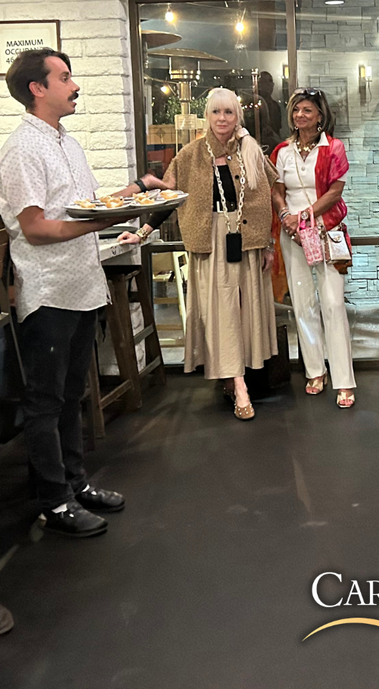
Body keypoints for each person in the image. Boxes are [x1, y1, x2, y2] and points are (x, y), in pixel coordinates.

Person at [0, 48, 164, 537]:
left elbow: (87, 206)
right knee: (45, 401)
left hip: (82, 285)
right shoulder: (21, 149)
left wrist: (137, 190)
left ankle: (75, 482)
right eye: (65, 77)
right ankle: (54, 500)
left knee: (72, 395)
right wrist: (108, 220)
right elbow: (34, 229)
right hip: (48, 291)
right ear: (38, 88)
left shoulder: (67, 143)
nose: (75, 86)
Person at [125, 87, 278, 420]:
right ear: (206, 116)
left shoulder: (250, 150)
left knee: (243, 313)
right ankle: (239, 386)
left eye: (229, 112)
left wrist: (269, 243)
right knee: (221, 314)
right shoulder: (190, 155)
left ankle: (231, 375)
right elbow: (168, 198)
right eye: (215, 112)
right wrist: (142, 231)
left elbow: (268, 195)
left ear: (238, 116)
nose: (222, 119)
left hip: (247, 240)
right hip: (209, 243)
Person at [270, 88, 356, 407]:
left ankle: (344, 380)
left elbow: (335, 192)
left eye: (307, 110)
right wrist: (285, 217)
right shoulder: (282, 151)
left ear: (320, 116)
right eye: (296, 110)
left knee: (333, 304)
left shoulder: (333, 148)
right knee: (303, 305)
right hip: (291, 236)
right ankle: (314, 371)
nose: (300, 116)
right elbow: (277, 190)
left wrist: (305, 217)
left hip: (326, 232)